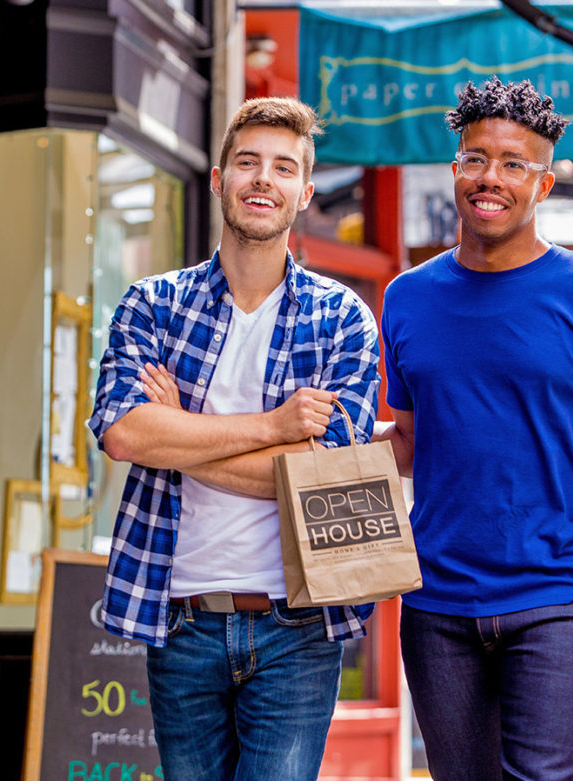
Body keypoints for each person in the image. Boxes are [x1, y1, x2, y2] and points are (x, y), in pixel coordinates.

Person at [374, 77, 573, 781]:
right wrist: (308, 440)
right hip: (436, 606)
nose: (492, 178)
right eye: (477, 158)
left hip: (555, 601)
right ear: (455, 169)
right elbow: (411, 443)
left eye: (515, 164)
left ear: (542, 185)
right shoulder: (406, 299)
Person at [88, 96, 381, 781]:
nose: (262, 179)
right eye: (247, 162)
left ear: (304, 194)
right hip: (182, 615)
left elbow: (329, 474)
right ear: (219, 178)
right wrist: (275, 428)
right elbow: (125, 432)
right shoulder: (152, 305)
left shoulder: (342, 319)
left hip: (296, 627)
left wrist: (181, 434)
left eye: (283, 168)